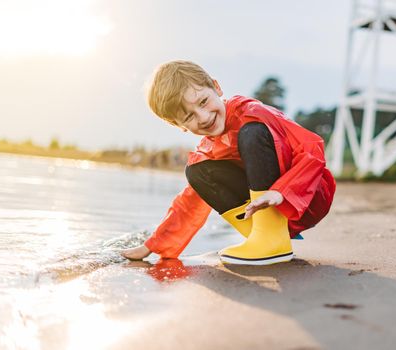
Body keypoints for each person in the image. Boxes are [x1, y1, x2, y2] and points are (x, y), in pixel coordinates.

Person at [121, 60, 335, 265]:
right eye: (189, 117)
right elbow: (188, 204)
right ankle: (262, 237)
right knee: (197, 172)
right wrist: (153, 244)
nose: (203, 117)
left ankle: (270, 240)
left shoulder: (253, 113)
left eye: (203, 102)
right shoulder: (209, 149)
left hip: (307, 197)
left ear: (216, 87)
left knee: (252, 133)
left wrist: (281, 191)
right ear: (178, 125)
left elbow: (312, 148)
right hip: (272, 214)